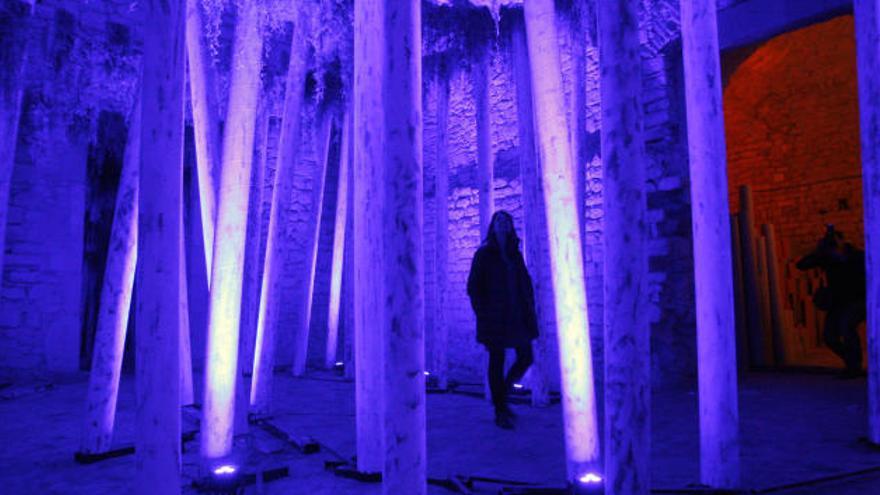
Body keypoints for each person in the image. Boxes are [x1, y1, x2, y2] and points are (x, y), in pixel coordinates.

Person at [466, 210, 539, 429]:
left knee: (526, 356)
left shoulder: (515, 254)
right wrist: (483, 313)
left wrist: (529, 306)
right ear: (493, 226)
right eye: (499, 220)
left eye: (506, 221)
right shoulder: (484, 254)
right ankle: (500, 410)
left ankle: (503, 395)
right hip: (494, 317)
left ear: (510, 227)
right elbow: (473, 288)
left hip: (516, 314)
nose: (503, 223)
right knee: (496, 360)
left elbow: (524, 282)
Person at [796, 225, 867, 378]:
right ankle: (852, 362)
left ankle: (855, 366)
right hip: (839, 303)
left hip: (858, 300)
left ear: (842, 242)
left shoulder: (857, 256)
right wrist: (819, 251)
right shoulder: (827, 257)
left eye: (835, 245)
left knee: (847, 326)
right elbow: (801, 265)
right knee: (830, 337)